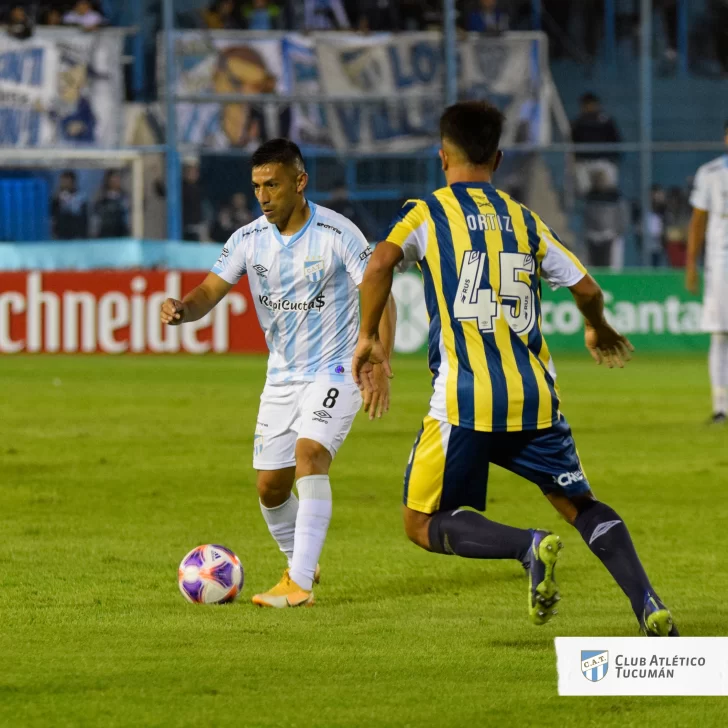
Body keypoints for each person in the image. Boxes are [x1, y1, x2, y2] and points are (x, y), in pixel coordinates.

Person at [352, 101, 678, 637]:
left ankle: (525, 546)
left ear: (442, 155)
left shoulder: (429, 212)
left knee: (422, 521)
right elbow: (588, 288)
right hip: (535, 396)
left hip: (466, 397)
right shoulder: (523, 217)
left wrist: (369, 338)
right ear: (498, 158)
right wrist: (595, 325)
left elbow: (381, 261)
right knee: (579, 504)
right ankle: (648, 602)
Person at [161, 139, 395, 608]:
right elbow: (211, 288)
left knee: (311, 453)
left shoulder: (337, 232)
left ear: (300, 182)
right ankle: (299, 558)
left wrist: (379, 356)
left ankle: (299, 584)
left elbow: (380, 290)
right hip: (283, 375)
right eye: (257, 187)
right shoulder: (248, 239)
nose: (263, 196)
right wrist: (184, 308)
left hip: (336, 366)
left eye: (272, 185)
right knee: (270, 489)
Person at [686, 121, 728, 425]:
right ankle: (720, 406)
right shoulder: (711, 173)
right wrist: (690, 263)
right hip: (721, 264)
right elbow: (698, 220)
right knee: (720, 334)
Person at [571, 93, 621, 196]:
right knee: (583, 188)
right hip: (584, 162)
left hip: (603, 161)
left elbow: (616, 141)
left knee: (608, 186)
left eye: (592, 104)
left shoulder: (606, 121)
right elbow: (573, 142)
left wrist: (612, 158)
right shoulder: (578, 123)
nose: (590, 108)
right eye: (587, 105)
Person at [51, 171, 88, 239]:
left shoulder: (81, 197)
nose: (65, 184)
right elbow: (52, 216)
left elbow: (84, 217)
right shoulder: (56, 198)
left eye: (67, 182)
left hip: (77, 234)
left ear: (73, 182)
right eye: (63, 182)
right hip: (61, 234)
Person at [93, 170, 130, 238]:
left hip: (121, 232)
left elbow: (128, 215)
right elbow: (96, 215)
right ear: (108, 180)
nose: (115, 182)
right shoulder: (101, 197)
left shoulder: (125, 196)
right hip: (105, 232)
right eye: (113, 180)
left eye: (117, 179)